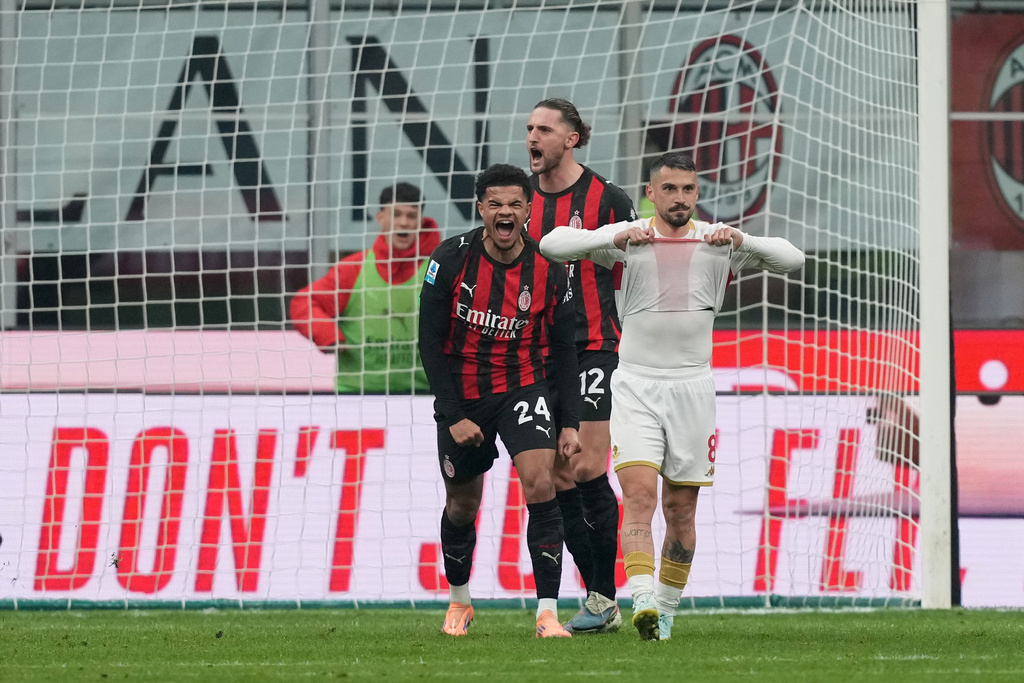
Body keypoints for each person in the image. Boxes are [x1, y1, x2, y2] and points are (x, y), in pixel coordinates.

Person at [540, 151, 804, 641]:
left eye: (688, 189)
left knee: (680, 510)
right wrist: (613, 235)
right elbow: (552, 245)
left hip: (693, 390)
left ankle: (663, 612)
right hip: (636, 383)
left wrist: (742, 238)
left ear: (697, 194)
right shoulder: (627, 241)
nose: (679, 198)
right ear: (650, 193)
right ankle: (639, 599)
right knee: (638, 496)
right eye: (669, 190)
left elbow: (794, 259)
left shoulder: (717, 243)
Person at [418, 163, 582, 638]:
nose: (505, 212)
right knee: (462, 506)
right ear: (481, 208)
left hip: (522, 387)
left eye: (515, 203)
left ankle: (547, 613)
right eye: (496, 204)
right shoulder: (449, 259)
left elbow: (565, 351)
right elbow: (430, 342)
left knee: (541, 485)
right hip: (464, 395)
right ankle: (460, 601)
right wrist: (452, 415)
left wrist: (568, 423)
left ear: (529, 209)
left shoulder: (550, 268)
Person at [525, 98, 637, 633]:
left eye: (544, 129)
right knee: (557, 474)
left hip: (595, 345)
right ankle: (600, 599)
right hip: (539, 354)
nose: (533, 137)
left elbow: (638, 270)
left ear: (571, 138)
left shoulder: (607, 198)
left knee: (589, 466)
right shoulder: (518, 202)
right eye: (529, 128)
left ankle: (605, 596)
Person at [290, 183, 439, 393]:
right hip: (356, 396)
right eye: (396, 214)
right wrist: (328, 336)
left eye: (411, 216)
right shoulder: (354, 269)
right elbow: (304, 302)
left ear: (421, 221)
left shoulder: (439, 269)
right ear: (380, 218)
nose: (404, 223)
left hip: (424, 395)